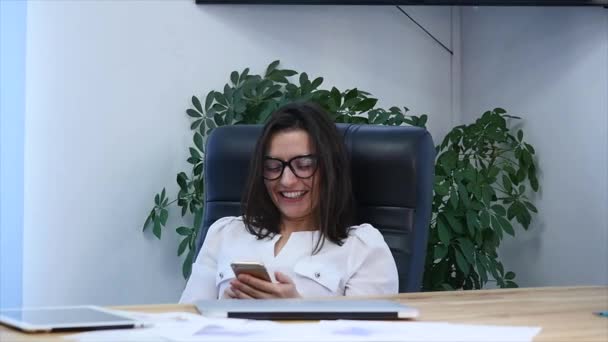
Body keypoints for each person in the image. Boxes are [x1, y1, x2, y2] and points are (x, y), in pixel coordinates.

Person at [179, 102, 398, 302]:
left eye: (303, 165)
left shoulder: (362, 248)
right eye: (273, 167)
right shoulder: (225, 233)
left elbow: (367, 335)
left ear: (331, 169)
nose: (286, 180)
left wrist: (297, 312)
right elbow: (183, 325)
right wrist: (221, 310)